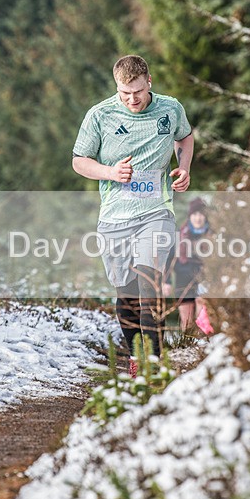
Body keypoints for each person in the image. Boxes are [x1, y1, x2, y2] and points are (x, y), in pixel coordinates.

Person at [72, 55, 194, 377]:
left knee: (149, 284)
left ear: (149, 82)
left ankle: (153, 363)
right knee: (126, 297)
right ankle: (135, 353)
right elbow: (79, 160)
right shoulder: (100, 115)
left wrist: (184, 167)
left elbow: (185, 137)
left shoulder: (170, 109)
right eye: (125, 93)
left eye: (138, 92)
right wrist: (110, 172)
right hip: (114, 217)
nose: (132, 99)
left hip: (156, 212)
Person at [169, 197, 211, 333]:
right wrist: (167, 281)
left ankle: (201, 344)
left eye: (201, 214)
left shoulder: (212, 234)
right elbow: (169, 260)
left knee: (202, 308)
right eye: (195, 214)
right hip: (183, 277)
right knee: (186, 319)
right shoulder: (180, 234)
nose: (198, 218)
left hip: (205, 277)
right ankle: (185, 344)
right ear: (190, 216)